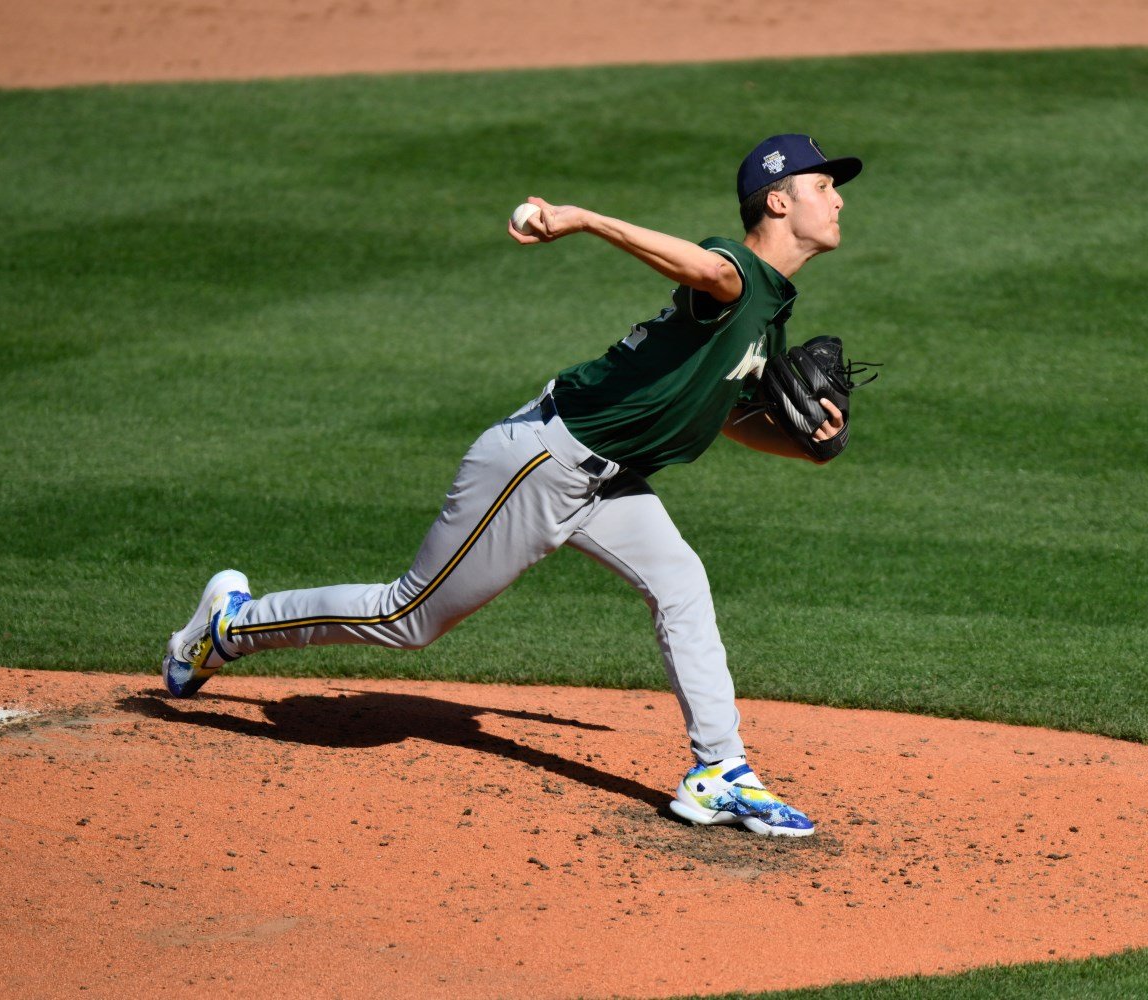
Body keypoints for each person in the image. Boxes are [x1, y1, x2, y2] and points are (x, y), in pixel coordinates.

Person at [160, 134, 863, 837]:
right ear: (778, 200)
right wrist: (585, 219)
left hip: (607, 480)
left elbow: (724, 414)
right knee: (406, 619)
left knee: (681, 582)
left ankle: (720, 772)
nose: (837, 198)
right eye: (822, 186)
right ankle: (229, 626)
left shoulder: (768, 308)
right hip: (541, 463)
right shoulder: (736, 274)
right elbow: (704, 267)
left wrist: (812, 450)